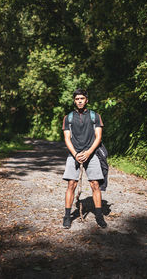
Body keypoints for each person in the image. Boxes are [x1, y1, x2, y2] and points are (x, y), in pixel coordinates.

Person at [62, 88, 107, 229]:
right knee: (71, 185)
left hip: (92, 154)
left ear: (86, 100)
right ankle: (67, 216)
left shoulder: (95, 116)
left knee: (95, 185)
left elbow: (98, 137)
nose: (79, 101)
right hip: (74, 154)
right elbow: (67, 139)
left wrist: (88, 153)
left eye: (82, 98)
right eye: (77, 99)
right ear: (74, 101)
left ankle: (99, 216)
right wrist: (76, 154)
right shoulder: (68, 118)